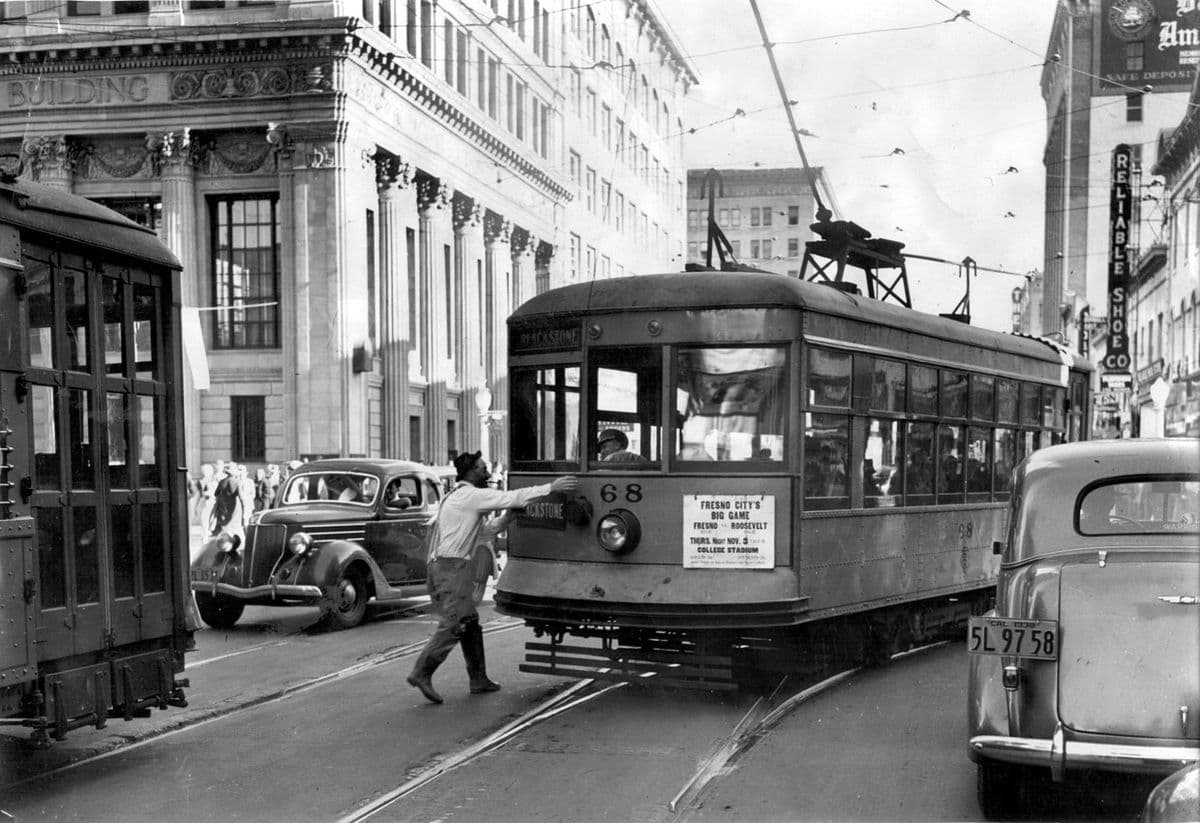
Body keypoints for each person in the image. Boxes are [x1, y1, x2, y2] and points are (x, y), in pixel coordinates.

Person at [407, 451, 579, 704]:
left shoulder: (457, 497)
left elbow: (483, 533)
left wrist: (507, 519)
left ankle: (478, 679)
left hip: (446, 567)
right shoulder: (471, 496)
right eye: (482, 468)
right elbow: (511, 497)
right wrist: (551, 487)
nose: (487, 472)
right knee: (455, 623)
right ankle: (422, 672)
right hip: (450, 569)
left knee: (470, 623)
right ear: (471, 472)